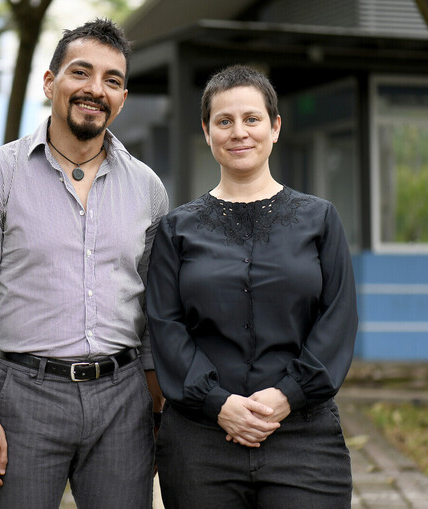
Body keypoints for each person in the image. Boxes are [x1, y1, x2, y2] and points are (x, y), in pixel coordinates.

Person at [0, 18, 168, 509]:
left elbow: (155, 315)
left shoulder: (148, 188)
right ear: (50, 83)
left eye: (111, 80)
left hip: (123, 402)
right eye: (81, 73)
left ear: (122, 97)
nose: (95, 89)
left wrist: (154, 411)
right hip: (26, 398)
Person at [146, 65, 358, 508]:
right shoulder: (176, 229)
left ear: (275, 127)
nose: (238, 132)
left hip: (304, 440)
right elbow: (165, 326)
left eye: (252, 119)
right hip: (200, 443)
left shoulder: (320, 219)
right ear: (206, 131)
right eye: (224, 121)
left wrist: (288, 396)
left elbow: (337, 318)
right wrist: (218, 403)